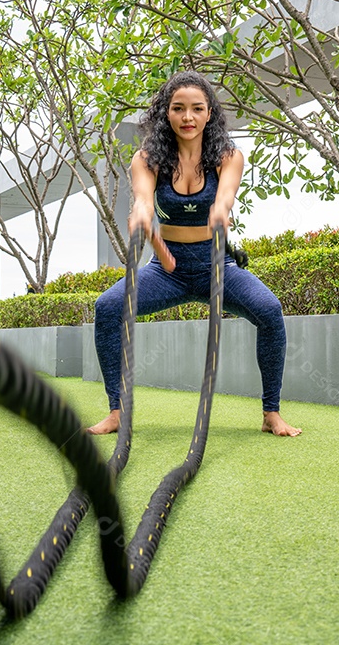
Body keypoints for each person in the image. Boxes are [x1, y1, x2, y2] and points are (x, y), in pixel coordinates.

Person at [88, 71, 301, 437]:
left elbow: (226, 195)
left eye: (197, 109)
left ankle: (271, 413)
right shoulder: (147, 158)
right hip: (166, 271)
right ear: (165, 114)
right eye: (178, 109)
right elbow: (142, 200)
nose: (188, 117)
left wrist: (221, 209)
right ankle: (117, 411)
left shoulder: (228, 155)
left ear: (209, 114)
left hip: (216, 265)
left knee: (269, 311)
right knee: (108, 309)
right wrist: (141, 215)